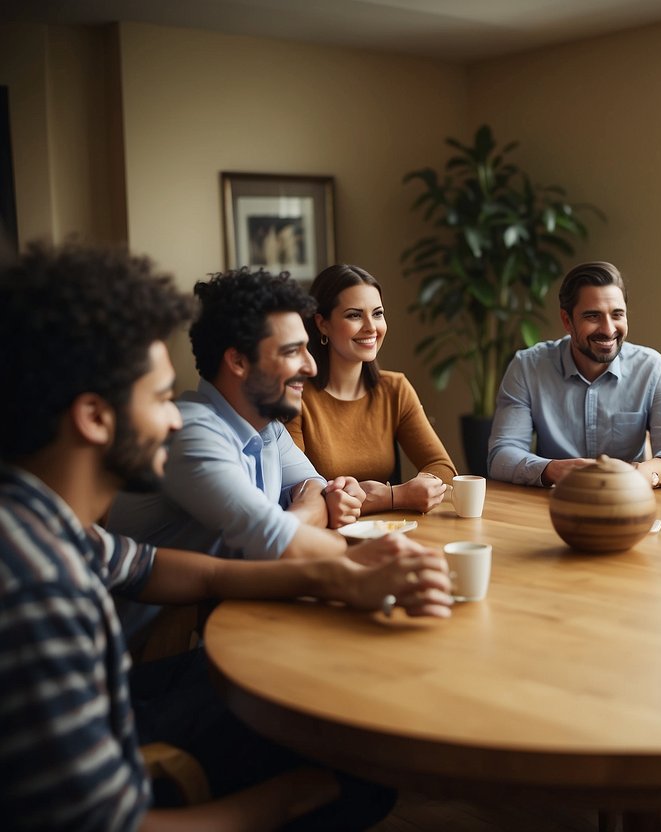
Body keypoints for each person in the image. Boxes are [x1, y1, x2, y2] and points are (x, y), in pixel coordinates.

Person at [0, 243, 452, 830]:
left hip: (121, 683)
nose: (171, 418)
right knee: (356, 776)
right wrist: (283, 800)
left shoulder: (42, 522)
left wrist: (338, 575)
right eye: (160, 398)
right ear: (93, 417)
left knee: (312, 698)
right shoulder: (41, 592)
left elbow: (158, 566)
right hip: (123, 710)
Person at [108, 268, 367, 563]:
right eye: (292, 351)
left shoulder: (268, 426)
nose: (311, 367)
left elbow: (316, 486)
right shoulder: (189, 432)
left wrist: (305, 505)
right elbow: (280, 545)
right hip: (176, 610)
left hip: (236, 603)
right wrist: (307, 514)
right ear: (238, 361)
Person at [488, 261, 661, 487]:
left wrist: (646, 474)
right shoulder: (527, 367)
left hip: (630, 504)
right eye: (593, 316)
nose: (608, 330)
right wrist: (553, 470)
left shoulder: (653, 369)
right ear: (567, 321)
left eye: (617, 314)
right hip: (553, 504)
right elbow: (501, 455)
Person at [287, 263, 455, 514]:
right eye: (354, 315)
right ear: (322, 324)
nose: (371, 327)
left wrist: (424, 486)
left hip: (390, 532)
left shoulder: (395, 388)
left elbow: (442, 467)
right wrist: (393, 497)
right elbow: (293, 491)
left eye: (377, 313)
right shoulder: (295, 396)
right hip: (322, 537)